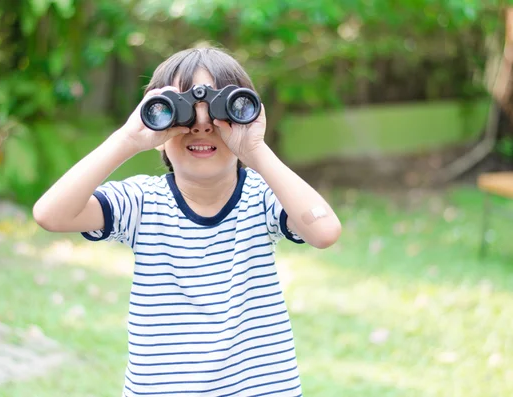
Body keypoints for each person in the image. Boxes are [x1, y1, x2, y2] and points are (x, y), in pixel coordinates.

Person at [33, 46, 341, 397]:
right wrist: (127, 139)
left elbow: (324, 230)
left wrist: (255, 150)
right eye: (179, 113)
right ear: (158, 128)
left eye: (221, 111)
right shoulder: (141, 203)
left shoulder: (263, 197)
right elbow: (50, 214)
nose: (201, 126)